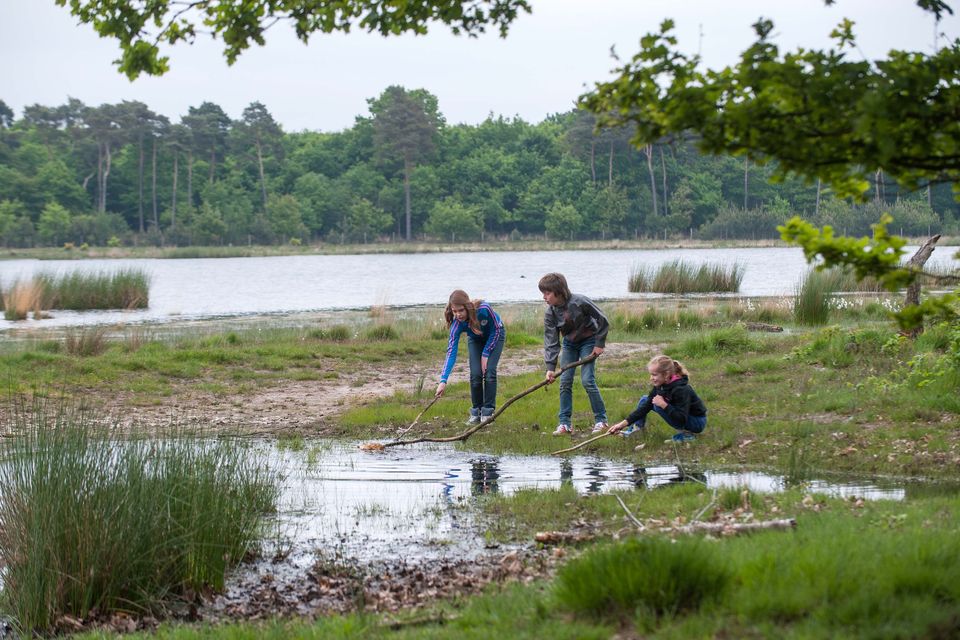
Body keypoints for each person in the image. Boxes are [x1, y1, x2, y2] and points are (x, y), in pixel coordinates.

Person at [538, 272, 609, 436]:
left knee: (587, 381)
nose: (544, 297)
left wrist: (599, 344)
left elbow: (603, 319)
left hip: (589, 341)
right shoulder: (550, 313)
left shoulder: (580, 301)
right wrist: (550, 367)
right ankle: (564, 424)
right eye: (543, 293)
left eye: (547, 293)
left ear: (559, 291)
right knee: (565, 381)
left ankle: (601, 420)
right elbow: (551, 340)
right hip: (569, 344)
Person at [435, 290, 505, 425]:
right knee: (475, 374)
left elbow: (496, 329)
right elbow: (451, 353)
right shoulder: (457, 325)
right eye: (454, 311)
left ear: (467, 306)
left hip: (495, 335)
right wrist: (443, 381)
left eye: (460, 310)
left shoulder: (484, 309)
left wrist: (486, 353)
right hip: (475, 340)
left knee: (489, 371)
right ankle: (476, 412)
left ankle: (488, 412)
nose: (458, 315)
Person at [607, 355, 708, 443]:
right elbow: (644, 408)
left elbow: (682, 418)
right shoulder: (661, 385)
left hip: (696, 422)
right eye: (651, 374)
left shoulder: (681, 390)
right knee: (645, 400)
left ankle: (687, 435)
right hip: (683, 417)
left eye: (654, 375)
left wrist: (664, 405)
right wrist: (621, 425)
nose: (651, 378)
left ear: (667, 374)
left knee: (657, 404)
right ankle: (636, 430)